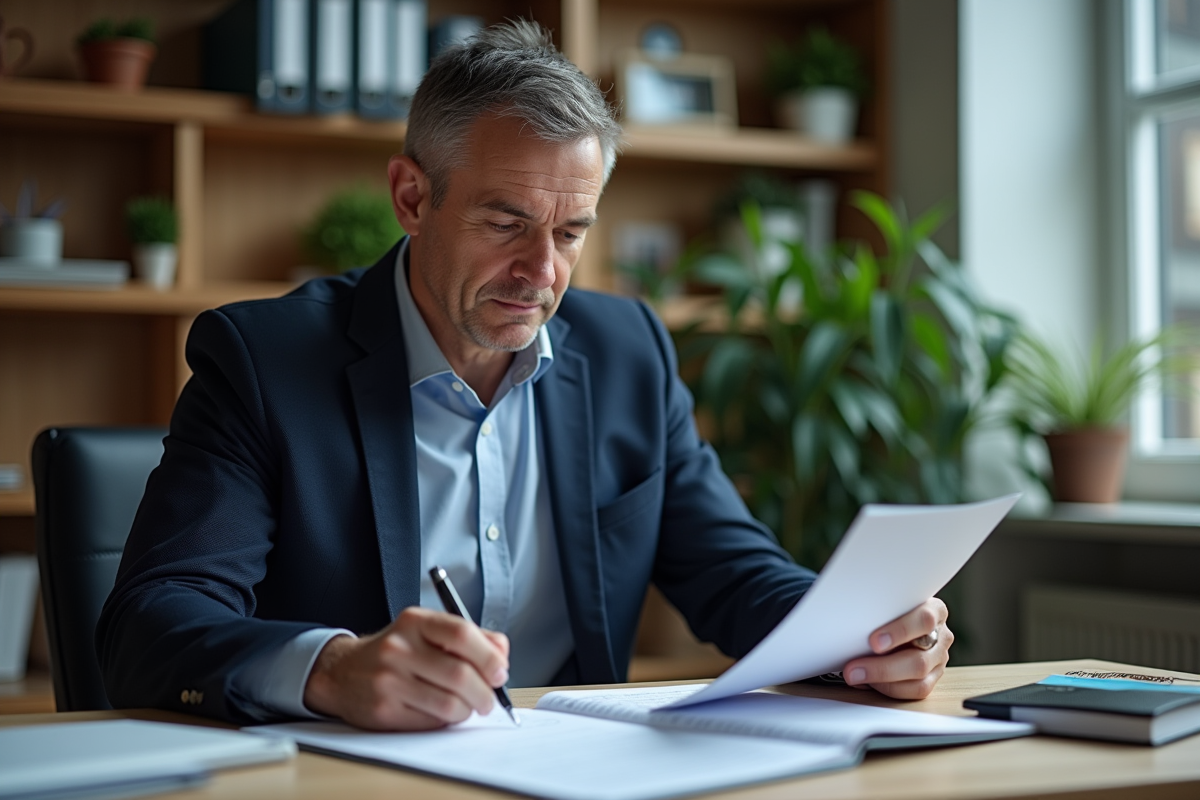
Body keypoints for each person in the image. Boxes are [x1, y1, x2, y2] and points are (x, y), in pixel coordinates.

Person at [97, 20, 952, 731]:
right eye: (505, 222)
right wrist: (331, 669)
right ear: (410, 197)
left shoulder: (629, 352)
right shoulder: (264, 362)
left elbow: (730, 569)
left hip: (576, 771)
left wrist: (855, 636)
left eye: (572, 230)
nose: (541, 270)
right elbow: (151, 624)